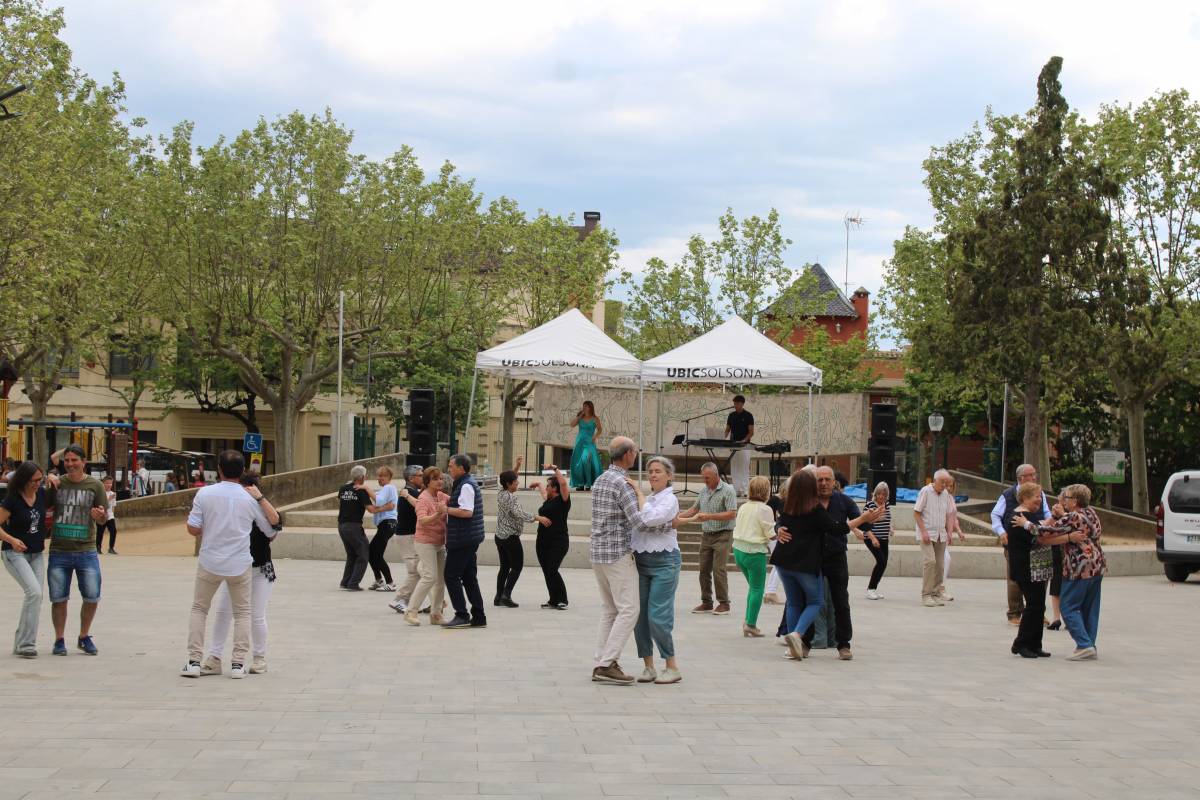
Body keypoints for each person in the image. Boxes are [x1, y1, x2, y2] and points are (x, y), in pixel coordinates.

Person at [181, 450, 279, 678]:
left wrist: (211, 528)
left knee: (200, 609)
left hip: (210, 560)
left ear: (220, 470)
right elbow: (270, 528)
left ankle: (194, 661)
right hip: (240, 563)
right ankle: (237, 664)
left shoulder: (204, 494)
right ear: (243, 470)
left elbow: (193, 528)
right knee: (243, 613)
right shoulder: (249, 498)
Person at [775, 465, 882, 660]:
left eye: (827, 480)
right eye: (819, 480)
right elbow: (784, 520)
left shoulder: (843, 501)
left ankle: (843, 644)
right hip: (810, 559)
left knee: (841, 600)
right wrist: (778, 528)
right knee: (809, 601)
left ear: (835, 482)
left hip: (835, 556)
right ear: (813, 483)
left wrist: (870, 521)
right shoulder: (806, 502)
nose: (824, 483)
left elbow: (861, 522)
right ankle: (803, 642)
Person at [204, 472, 283, 675]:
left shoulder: (260, 507)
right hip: (235, 568)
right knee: (223, 612)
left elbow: (275, 525)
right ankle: (214, 657)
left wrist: (260, 498)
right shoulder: (233, 508)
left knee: (256, 614)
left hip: (259, 569)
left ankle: (259, 658)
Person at [45, 445, 107, 657]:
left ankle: (83, 636)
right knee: (58, 598)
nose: (70, 464)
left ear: (84, 461)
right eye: (67, 460)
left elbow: (103, 516)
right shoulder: (57, 484)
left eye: (74, 460)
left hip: (86, 550)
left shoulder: (95, 485)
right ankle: (59, 639)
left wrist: (99, 516)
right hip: (59, 550)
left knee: (91, 595)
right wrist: (48, 482)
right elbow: (43, 505)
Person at [589, 436, 642, 685]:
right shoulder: (623, 483)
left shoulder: (601, 479)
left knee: (610, 609)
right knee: (629, 609)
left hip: (598, 551)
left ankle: (602, 660)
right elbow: (638, 520)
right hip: (617, 552)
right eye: (635, 451)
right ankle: (608, 662)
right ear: (629, 454)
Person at [627, 456, 683, 684]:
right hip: (641, 561)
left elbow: (649, 519)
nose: (653, 475)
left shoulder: (670, 500)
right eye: (650, 471)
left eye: (658, 471)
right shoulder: (649, 499)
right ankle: (648, 666)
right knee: (639, 617)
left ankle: (671, 665)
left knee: (658, 616)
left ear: (669, 476)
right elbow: (636, 525)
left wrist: (639, 496)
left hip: (665, 561)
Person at [1034, 484, 1105, 660]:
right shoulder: (1091, 513)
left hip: (1078, 567)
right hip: (1096, 565)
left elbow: (1043, 531)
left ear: (1074, 502)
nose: (1064, 500)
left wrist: (1025, 523)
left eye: (1066, 498)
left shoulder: (1072, 517)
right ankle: (1089, 644)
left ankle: (1084, 644)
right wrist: (1062, 516)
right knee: (1090, 608)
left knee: (1068, 607)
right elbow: (1079, 523)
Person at [0, 461, 53, 658]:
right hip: (14, 553)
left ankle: (22, 641)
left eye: (41, 480)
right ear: (24, 480)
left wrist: (54, 478)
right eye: (34, 481)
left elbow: (58, 459)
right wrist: (12, 540)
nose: (38, 484)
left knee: (36, 597)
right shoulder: (12, 500)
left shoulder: (41, 494)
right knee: (34, 592)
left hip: (36, 553)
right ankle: (26, 644)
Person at [991, 464, 1051, 626]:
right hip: (1016, 544)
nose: (1034, 477)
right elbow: (995, 515)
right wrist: (1001, 532)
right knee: (1015, 579)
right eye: (1031, 475)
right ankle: (1015, 613)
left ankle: (1037, 612)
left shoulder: (1040, 494)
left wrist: (1047, 525)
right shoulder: (1007, 494)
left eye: (1034, 474)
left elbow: (1047, 513)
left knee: (1039, 579)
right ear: (1021, 478)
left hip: (1036, 544)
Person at [678, 463, 737, 615]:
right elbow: (694, 509)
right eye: (703, 478)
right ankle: (706, 602)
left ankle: (724, 603)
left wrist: (709, 516)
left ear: (716, 475)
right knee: (703, 570)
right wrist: (677, 517)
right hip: (707, 535)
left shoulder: (728, 490)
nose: (705, 481)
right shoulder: (704, 490)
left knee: (719, 569)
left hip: (723, 534)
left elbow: (732, 514)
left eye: (708, 478)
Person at [1006, 482, 1053, 658]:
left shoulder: (1028, 517)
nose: (1039, 500)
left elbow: (1041, 529)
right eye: (1036, 496)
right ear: (1025, 498)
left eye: (1040, 496)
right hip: (1027, 569)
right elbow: (1039, 536)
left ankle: (1035, 644)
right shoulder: (1018, 518)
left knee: (1039, 606)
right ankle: (1021, 643)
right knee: (1033, 606)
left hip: (1036, 569)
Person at [442, 454, 486, 629]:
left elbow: (467, 512)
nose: (449, 469)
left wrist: (446, 509)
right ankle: (479, 616)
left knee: (451, 575)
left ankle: (461, 614)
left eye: (451, 466)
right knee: (468, 577)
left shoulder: (466, 485)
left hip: (462, 538)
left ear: (461, 468)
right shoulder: (465, 483)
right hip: (468, 537)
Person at [401, 467, 448, 626]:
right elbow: (422, 520)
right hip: (425, 542)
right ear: (428, 482)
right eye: (435, 479)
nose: (440, 481)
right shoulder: (424, 498)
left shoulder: (440, 496)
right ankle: (411, 611)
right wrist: (438, 514)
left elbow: (455, 501)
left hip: (439, 542)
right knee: (430, 577)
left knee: (441, 579)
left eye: (441, 478)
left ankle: (436, 614)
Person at [732, 476, 776, 637]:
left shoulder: (743, 506)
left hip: (738, 550)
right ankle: (750, 624)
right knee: (758, 589)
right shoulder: (765, 509)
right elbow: (770, 534)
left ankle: (747, 619)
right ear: (766, 491)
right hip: (754, 552)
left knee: (753, 587)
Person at [913, 470, 964, 607]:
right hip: (927, 533)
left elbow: (949, 514)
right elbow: (916, 512)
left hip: (941, 534)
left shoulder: (946, 494)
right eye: (942, 482)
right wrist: (923, 531)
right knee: (930, 562)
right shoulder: (925, 491)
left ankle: (935, 593)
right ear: (934, 481)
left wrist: (949, 532)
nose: (945, 485)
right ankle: (926, 595)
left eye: (947, 483)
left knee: (940, 565)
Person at [493, 457, 538, 607]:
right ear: (509, 484)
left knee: (504, 567)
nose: (518, 483)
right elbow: (520, 514)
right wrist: (537, 518)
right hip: (510, 537)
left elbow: (508, 477)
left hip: (499, 536)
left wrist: (517, 467)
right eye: (516, 482)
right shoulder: (511, 497)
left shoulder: (501, 491)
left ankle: (498, 597)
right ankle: (506, 595)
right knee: (517, 566)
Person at [386, 465, 425, 613]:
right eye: (420, 475)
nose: (423, 477)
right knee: (415, 570)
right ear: (411, 478)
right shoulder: (410, 493)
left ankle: (414, 600)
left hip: (409, 536)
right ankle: (400, 600)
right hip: (406, 537)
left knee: (419, 570)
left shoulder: (411, 492)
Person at [534, 463, 572, 610]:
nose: (547, 488)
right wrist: (538, 484)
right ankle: (553, 600)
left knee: (551, 569)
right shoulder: (549, 500)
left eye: (549, 485)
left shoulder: (563, 501)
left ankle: (562, 600)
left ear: (555, 489)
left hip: (558, 541)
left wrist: (555, 469)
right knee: (547, 570)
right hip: (542, 541)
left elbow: (563, 483)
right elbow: (544, 493)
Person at [336, 465, 374, 591]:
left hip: (341, 526)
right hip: (354, 526)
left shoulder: (343, 488)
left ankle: (345, 582)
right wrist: (387, 507)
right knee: (363, 554)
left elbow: (342, 501)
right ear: (363, 477)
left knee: (352, 554)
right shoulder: (361, 491)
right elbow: (371, 509)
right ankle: (353, 584)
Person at [366, 466, 398, 592]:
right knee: (371, 552)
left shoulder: (389, 487)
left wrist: (366, 488)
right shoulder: (383, 491)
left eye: (382, 476)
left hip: (388, 524)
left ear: (389, 477)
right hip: (384, 525)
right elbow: (373, 509)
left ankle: (390, 582)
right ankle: (379, 580)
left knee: (377, 554)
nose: (379, 478)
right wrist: (383, 508)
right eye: (378, 476)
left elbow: (378, 502)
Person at [862, 482, 891, 600]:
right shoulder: (869, 506)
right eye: (879, 494)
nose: (881, 497)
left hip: (884, 539)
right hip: (872, 538)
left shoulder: (887, 505)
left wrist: (891, 528)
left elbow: (887, 520)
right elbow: (864, 524)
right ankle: (870, 589)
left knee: (883, 563)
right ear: (875, 494)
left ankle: (873, 588)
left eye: (884, 494)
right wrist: (873, 538)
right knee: (881, 561)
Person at [569, 400, 603, 491]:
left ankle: (588, 483)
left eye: (586, 406)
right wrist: (580, 416)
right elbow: (572, 425)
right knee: (579, 463)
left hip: (589, 443)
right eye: (583, 406)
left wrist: (595, 437)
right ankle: (580, 483)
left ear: (590, 407)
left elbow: (600, 430)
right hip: (579, 442)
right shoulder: (580, 417)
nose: (584, 408)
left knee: (586, 460)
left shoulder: (595, 418)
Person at [725, 394, 755, 496]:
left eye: (737, 403)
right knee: (735, 467)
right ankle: (736, 489)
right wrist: (722, 438)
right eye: (734, 403)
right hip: (733, 444)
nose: (735, 405)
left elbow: (751, 432)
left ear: (742, 404)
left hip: (745, 445)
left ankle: (746, 490)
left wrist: (744, 440)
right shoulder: (731, 415)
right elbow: (727, 429)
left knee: (744, 467)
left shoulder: (748, 415)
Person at [95, 476, 118, 555]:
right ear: (103, 483)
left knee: (113, 531)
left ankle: (111, 548)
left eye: (110, 483)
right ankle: (98, 548)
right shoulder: (101, 493)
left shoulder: (112, 493)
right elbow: (101, 504)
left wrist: (112, 515)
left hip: (110, 516)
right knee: (100, 532)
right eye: (107, 483)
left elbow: (113, 506)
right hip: (102, 515)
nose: (109, 485)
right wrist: (109, 498)